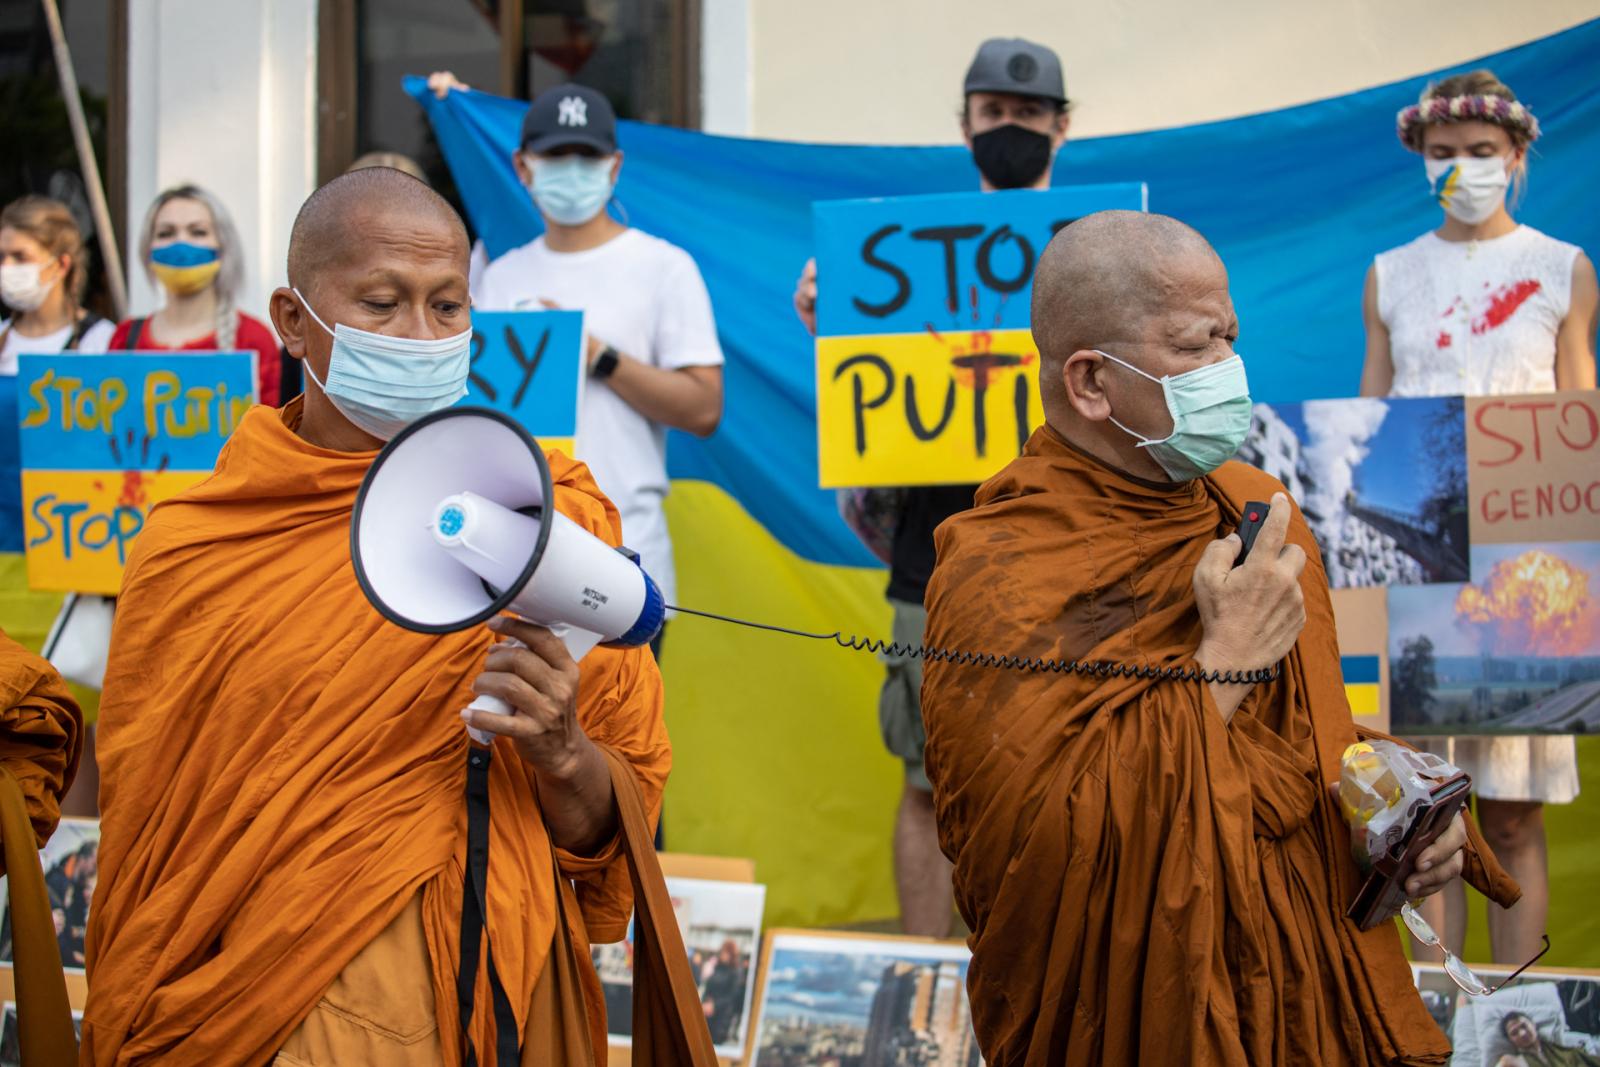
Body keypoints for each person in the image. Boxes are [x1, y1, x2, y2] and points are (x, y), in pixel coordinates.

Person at [82, 167, 673, 1065]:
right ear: (291, 319)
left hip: (483, 989)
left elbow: (606, 834)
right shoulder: (196, 546)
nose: (421, 337)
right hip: (250, 1006)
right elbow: (154, 834)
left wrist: (562, 753)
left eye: (447, 307)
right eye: (383, 302)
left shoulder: (547, 518)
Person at [920, 209, 1520, 1065]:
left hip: (1302, 993)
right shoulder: (1005, 565)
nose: (1229, 370)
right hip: (1143, 1013)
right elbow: (1038, 858)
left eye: (1230, 337)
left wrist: (1397, 807)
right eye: (1198, 346)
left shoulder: (1252, 504)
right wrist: (1222, 667)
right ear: (1092, 382)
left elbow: (1306, 746)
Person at [791, 37, 1071, 939]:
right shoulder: (897, 260)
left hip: (1068, 561)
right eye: (995, 114)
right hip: (933, 562)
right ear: (965, 127)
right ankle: (924, 980)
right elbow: (871, 405)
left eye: (1028, 115)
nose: (1012, 129)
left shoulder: (1093, 249)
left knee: (1060, 787)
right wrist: (828, 327)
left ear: (1062, 127)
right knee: (927, 786)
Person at [1360, 69, 1597, 968]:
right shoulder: (1389, 276)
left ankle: (1521, 1014)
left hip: (1532, 561)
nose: (1465, 168)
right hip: (1419, 570)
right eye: (1445, 154)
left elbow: (1583, 421)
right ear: (1421, 157)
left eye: (1483, 153)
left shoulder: (1560, 267)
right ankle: (1433, 1018)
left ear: (1518, 154)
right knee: (1425, 817)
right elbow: (1371, 418)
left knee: (1512, 811)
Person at [442, 77, 723, 655]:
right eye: (555, 156)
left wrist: (600, 356)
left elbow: (703, 408)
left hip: (624, 552)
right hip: (508, 551)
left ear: (614, 167)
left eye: (586, 157)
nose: (571, 169)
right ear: (523, 167)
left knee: (615, 741)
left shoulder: (664, 267)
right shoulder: (497, 275)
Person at [109, 184, 284, 406]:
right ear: (148, 248)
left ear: (223, 246)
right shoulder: (124, 339)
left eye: (198, 232)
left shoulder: (253, 338)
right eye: (166, 233)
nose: (181, 243)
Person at [0, 195, 113, 370]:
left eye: (20, 257)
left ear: (60, 265)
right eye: (2, 257)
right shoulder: (3, 337)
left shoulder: (101, 340)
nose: (6, 267)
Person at [1496, 1011, 1600, 1067]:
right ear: (1510, 1040)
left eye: (1524, 1026)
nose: (1522, 1033)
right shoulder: (1512, 1061)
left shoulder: (1566, 1050)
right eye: (1514, 1033)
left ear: (1533, 1025)